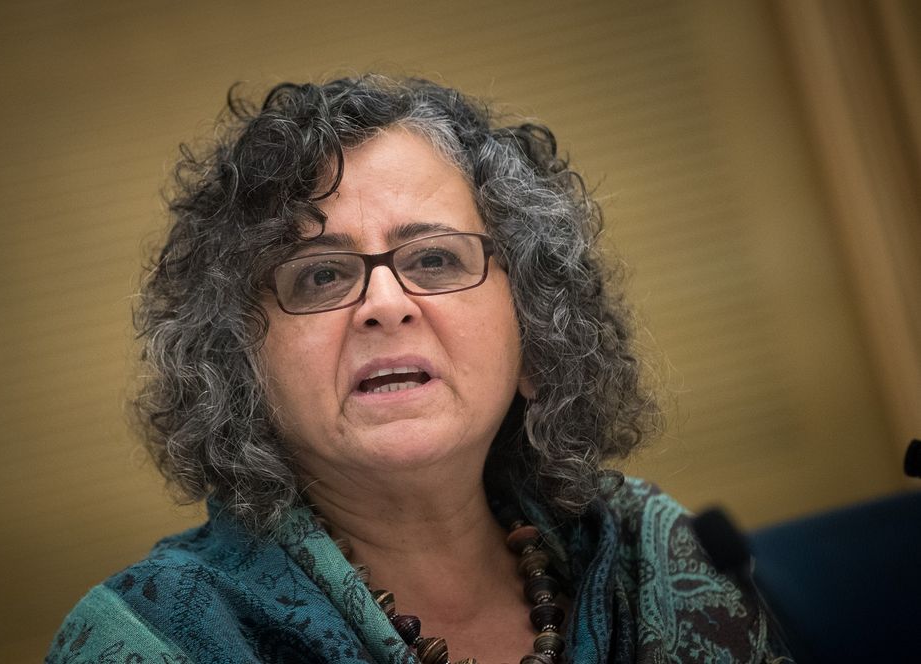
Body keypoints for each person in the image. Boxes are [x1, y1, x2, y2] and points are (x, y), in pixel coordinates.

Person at [46, 75, 786, 663]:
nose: (384, 304)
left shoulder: (653, 558)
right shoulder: (154, 639)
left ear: (534, 329)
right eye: (321, 276)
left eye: (434, 259)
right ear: (239, 369)